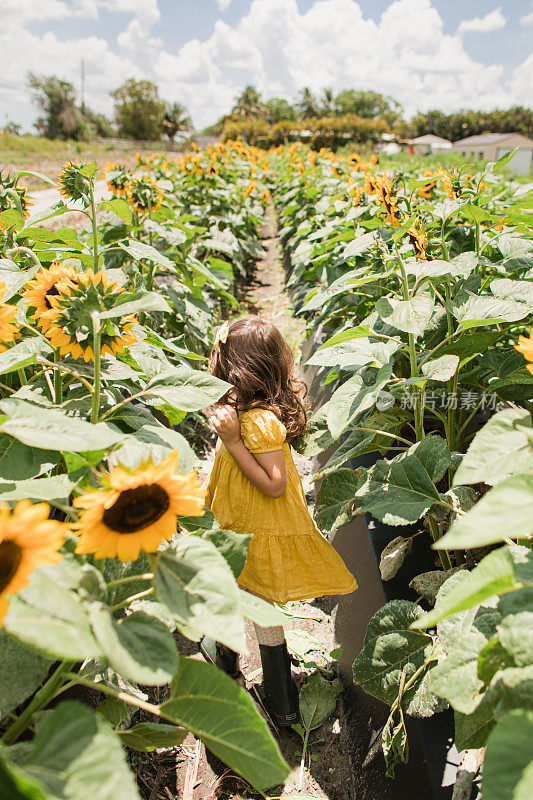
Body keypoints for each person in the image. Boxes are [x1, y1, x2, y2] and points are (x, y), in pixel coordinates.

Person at [202, 316, 357, 725]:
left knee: (254, 600)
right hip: (241, 521)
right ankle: (263, 689)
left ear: (238, 370)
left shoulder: (258, 423)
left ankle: (276, 697)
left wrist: (232, 440)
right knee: (243, 594)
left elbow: (273, 485)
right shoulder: (248, 412)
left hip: (258, 526)